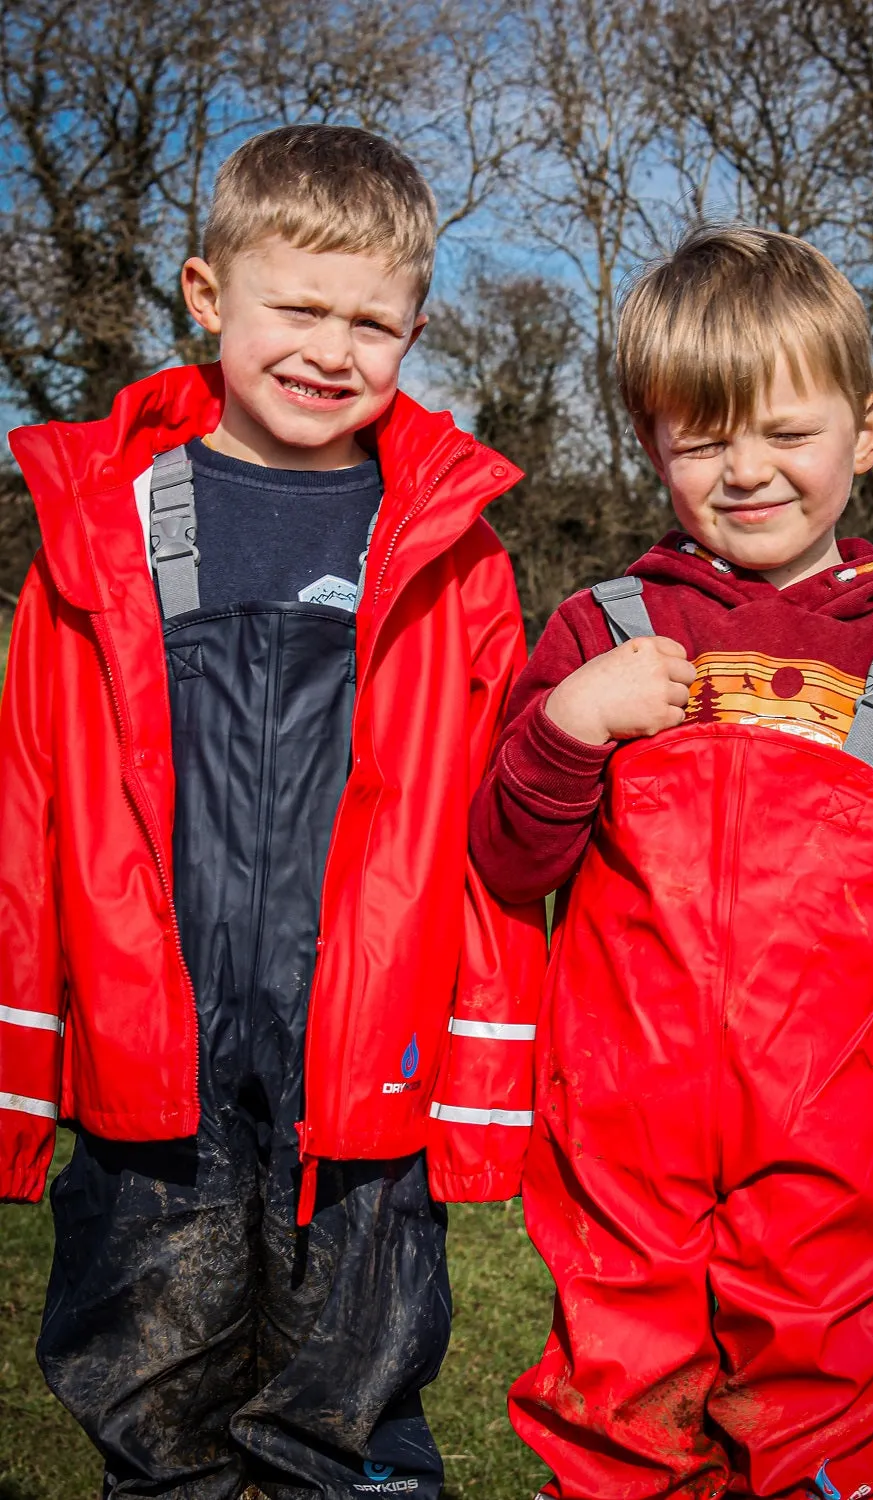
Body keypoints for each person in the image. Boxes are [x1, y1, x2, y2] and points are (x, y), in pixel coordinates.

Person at [0, 124, 544, 1500]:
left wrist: (483, 1092)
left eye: (372, 320)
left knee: (349, 1422)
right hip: (150, 1080)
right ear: (205, 296)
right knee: (153, 1416)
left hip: (367, 1082)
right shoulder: (103, 525)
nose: (330, 348)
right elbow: (31, 806)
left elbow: (484, 844)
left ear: (416, 326)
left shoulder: (451, 550)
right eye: (297, 307)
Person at [468, 225, 873, 1500]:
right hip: (619, 1144)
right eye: (702, 439)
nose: (747, 471)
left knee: (818, 1428)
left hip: (838, 1147)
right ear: (651, 439)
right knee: (617, 1420)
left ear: (866, 429)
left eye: (785, 432)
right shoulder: (600, 632)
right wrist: (567, 726)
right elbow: (506, 863)